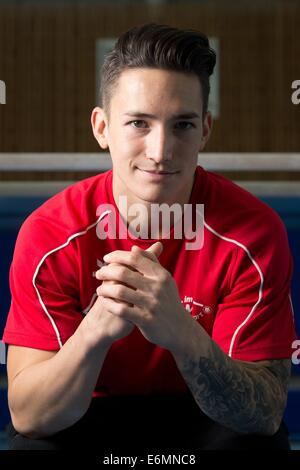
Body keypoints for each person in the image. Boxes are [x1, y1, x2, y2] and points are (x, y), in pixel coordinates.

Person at [2, 23, 298, 451]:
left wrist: (179, 329)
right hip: (90, 415)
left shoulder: (252, 234)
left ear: (206, 131)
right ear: (102, 128)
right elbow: (29, 417)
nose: (161, 151)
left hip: (202, 417)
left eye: (182, 125)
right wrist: (96, 329)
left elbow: (263, 414)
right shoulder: (51, 234)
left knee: (253, 448)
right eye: (139, 123)